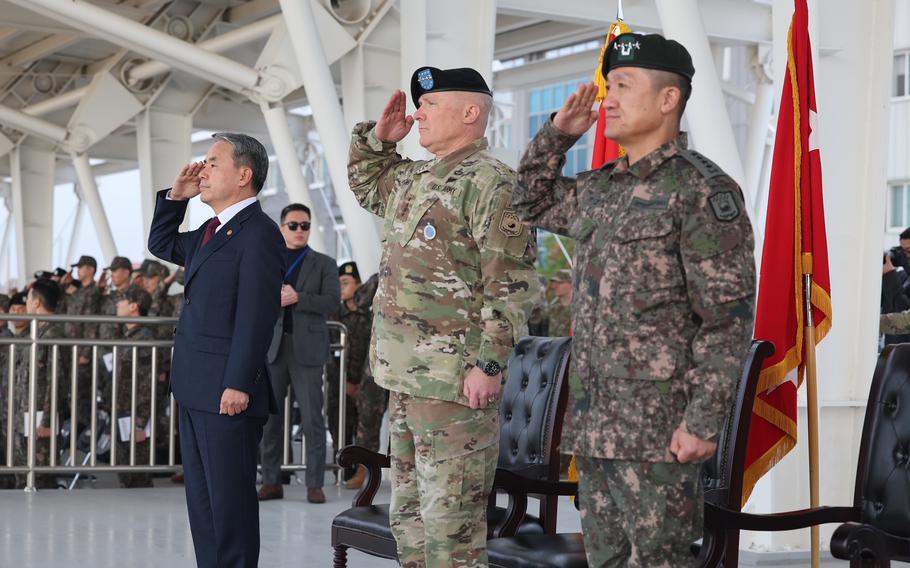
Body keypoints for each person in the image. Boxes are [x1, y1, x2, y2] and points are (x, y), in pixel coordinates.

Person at [512, 33, 756, 567]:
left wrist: (701, 421)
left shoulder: (702, 192)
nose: (609, 99)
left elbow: (726, 319)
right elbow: (528, 201)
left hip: (659, 434)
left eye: (623, 85)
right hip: (595, 425)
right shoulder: (601, 188)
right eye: (608, 87)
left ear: (668, 100)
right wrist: (557, 136)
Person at [348, 66, 539, 566]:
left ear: (471, 112)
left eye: (430, 106)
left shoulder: (492, 184)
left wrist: (490, 363)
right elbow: (368, 185)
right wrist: (379, 140)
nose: (418, 114)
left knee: (450, 526)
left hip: (455, 381)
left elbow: (511, 284)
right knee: (409, 521)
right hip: (405, 377)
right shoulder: (414, 177)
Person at [148, 131, 283, 568]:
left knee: (230, 506)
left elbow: (256, 316)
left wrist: (239, 383)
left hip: (228, 390)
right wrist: (176, 197)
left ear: (244, 175)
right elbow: (161, 244)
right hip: (195, 386)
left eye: (212, 163)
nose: (202, 170)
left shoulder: (259, 234)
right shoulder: (211, 230)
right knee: (203, 504)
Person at [258, 203, 339, 504]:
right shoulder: (268, 261)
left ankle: (314, 484)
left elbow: (333, 301)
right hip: (274, 347)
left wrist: (298, 297)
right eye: (293, 225)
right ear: (282, 228)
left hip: (307, 349)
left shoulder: (325, 263)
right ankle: (270, 480)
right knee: (270, 419)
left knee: (311, 420)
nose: (300, 231)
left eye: (304, 225)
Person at [326, 263, 384, 490]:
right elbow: (329, 353)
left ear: (359, 286)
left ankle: (363, 469)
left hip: (366, 382)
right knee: (336, 419)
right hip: (341, 381)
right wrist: (344, 383)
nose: (341, 287)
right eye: (338, 283)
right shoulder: (335, 315)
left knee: (367, 422)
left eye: (346, 283)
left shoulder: (369, 315)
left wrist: (358, 384)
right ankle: (344, 467)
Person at [11, 279, 69, 489]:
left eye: (27, 299)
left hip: (39, 420)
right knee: (25, 477)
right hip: (25, 417)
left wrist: (46, 420)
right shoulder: (37, 332)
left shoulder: (53, 334)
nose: (26, 303)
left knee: (41, 480)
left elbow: (57, 380)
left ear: (36, 302)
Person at [112, 285, 156, 488]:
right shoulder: (130, 336)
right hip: (124, 412)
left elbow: (146, 384)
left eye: (121, 301)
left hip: (136, 416)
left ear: (133, 307)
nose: (116, 305)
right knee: (127, 474)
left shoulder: (144, 339)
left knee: (137, 476)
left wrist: (140, 422)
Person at [881, 230, 910, 345]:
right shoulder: (901, 276)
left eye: (908, 251)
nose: (904, 256)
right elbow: (884, 306)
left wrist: (890, 277)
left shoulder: (893, 276)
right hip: (891, 349)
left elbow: (904, 314)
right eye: (902, 251)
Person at [547, 269, 572, 337]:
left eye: (560, 283)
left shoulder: (580, 311)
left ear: (571, 284)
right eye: (554, 283)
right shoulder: (553, 309)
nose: (554, 286)